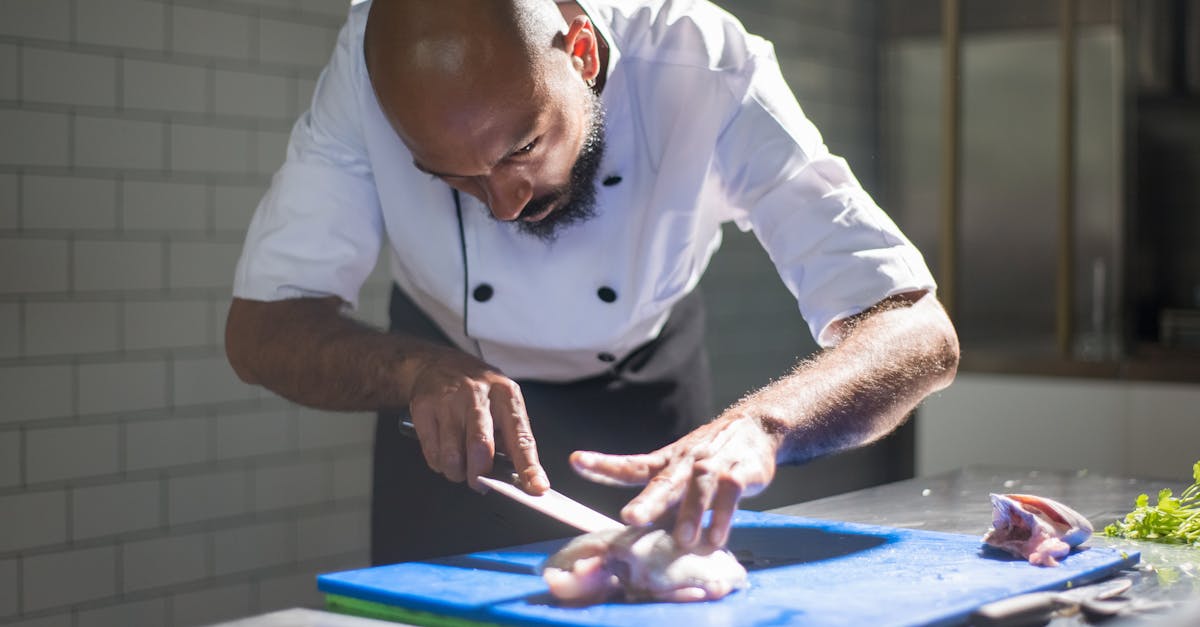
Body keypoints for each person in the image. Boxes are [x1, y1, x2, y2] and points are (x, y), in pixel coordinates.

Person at [225, 0, 959, 565]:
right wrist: (412, 369)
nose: (504, 204)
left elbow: (916, 326)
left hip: (646, 403)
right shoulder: (363, 73)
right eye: (453, 178)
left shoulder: (702, 61)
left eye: (523, 147)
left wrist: (765, 425)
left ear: (579, 53)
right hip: (451, 422)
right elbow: (262, 328)